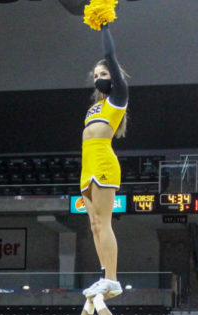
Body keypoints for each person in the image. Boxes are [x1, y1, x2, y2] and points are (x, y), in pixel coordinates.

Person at [79, 24, 129, 300]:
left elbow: (110, 54)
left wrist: (105, 25)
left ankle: (112, 279)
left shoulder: (119, 97)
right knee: (94, 225)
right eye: (96, 75)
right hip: (87, 164)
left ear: (115, 76)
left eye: (104, 73)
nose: (99, 77)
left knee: (105, 222)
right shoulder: (94, 107)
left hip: (103, 162)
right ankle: (104, 275)